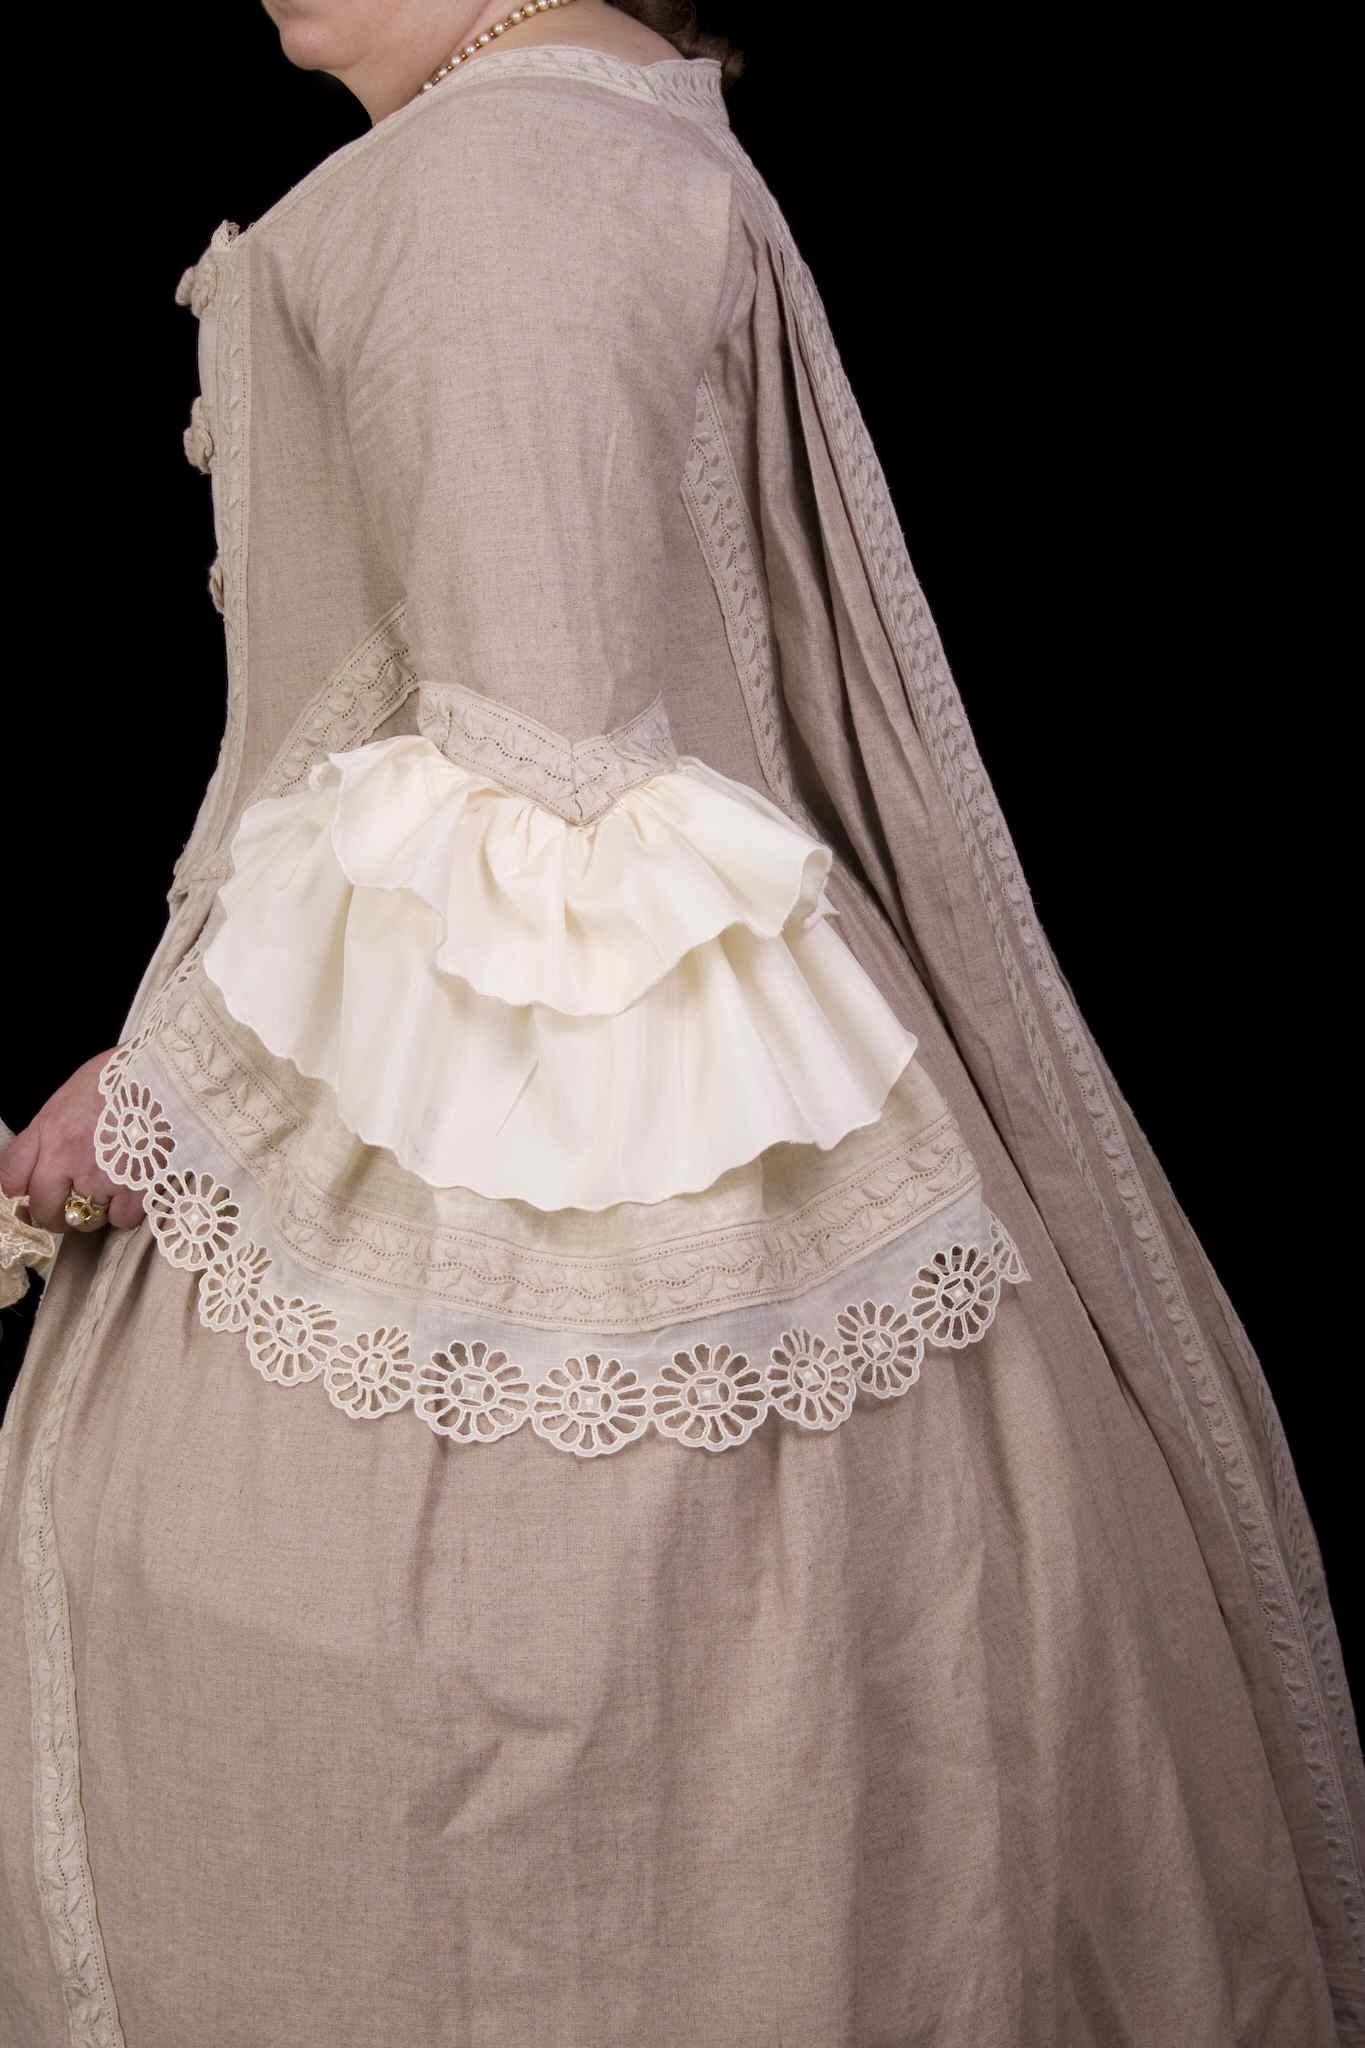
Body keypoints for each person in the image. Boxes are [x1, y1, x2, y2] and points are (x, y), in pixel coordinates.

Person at [0, 2, 1360, 2042]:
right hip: (648, 1081)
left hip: (575, 1151)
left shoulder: (496, 170)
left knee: (541, 1780)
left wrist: (176, 1085)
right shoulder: (604, 130)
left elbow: (542, 774)